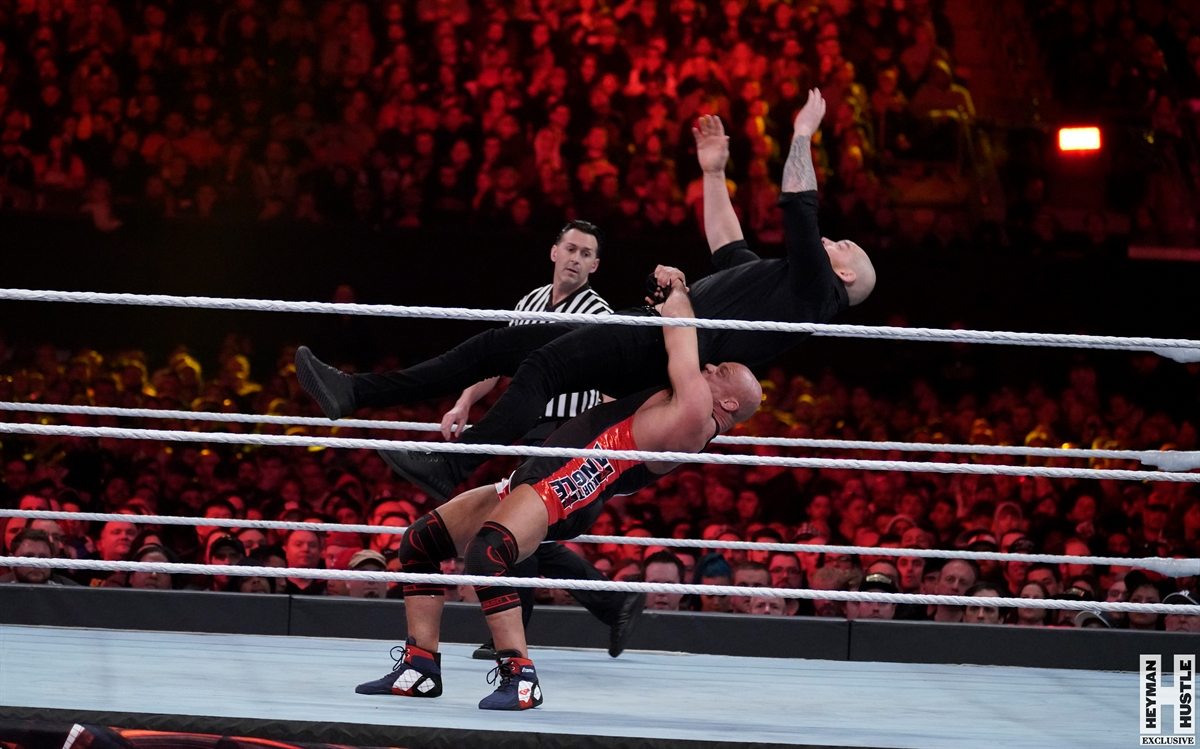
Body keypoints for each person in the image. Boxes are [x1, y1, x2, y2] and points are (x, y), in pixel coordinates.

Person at [294, 90, 874, 501]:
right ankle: (355, 392)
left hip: (659, 346)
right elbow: (729, 243)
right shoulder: (779, 284)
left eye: (845, 245)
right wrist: (714, 170)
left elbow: (799, 206)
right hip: (650, 333)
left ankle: (452, 465)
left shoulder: (814, 294)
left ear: (845, 276)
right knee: (496, 347)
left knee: (541, 368)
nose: (835, 240)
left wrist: (802, 134)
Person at [353, 277, 761, 711]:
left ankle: (520, 678)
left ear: (730, 404)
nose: (711, 367)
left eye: (723, 373)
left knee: (487, 554)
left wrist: (677, 289)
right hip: (556, 464)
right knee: (420, 543)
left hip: (579, 475)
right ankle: (419, 668)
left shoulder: (697, 413)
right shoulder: (686, 404)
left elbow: (681, 333)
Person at [428, 220, 641, 659]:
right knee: (524, 530)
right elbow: (496, 362)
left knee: (517, 524)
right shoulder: (530, 302)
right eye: (571, 249)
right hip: (533, 430)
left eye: (586, 254)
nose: (576, 258)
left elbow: (616, 386)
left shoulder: (599, 315)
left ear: (595, 265)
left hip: (571, 433)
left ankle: (595, 606)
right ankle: (589, 609)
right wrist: (464, 402)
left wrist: (605, 444)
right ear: (554, 252)